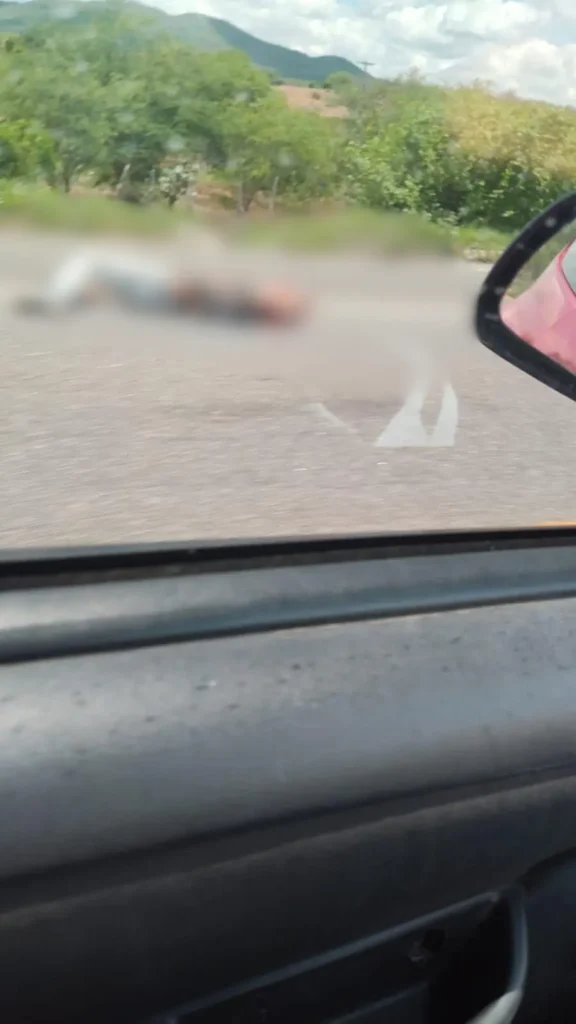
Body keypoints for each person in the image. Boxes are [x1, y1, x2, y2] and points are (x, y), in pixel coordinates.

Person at [14, 249, 310, 327]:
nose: (280, 287)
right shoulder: (243, 307)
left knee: (91, 261)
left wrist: (184, 282)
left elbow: (196, 294)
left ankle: (57, 300)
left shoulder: (244, 302)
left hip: (162, 288)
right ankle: (75, 297)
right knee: (104, 282)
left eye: (285, 296)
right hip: (162, 298)